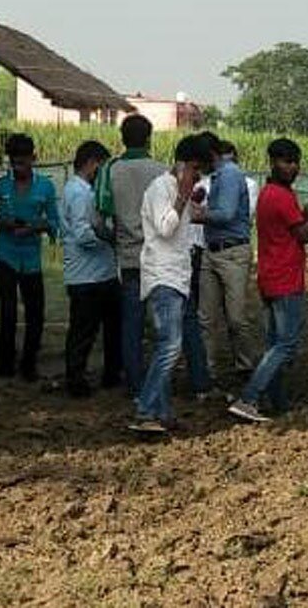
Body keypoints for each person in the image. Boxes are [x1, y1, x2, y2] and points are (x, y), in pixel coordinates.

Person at [228, 138, 308, 423]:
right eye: (288, 162)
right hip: (286, 279)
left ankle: (280, 404)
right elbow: (303, 236)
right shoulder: (281, 196)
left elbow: (291, 227)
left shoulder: (268, 193)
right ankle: (249, 397)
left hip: (268, 276)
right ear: (274, 163)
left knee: (274, 343)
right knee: (286, 345)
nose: (294, 168)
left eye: (296, 162)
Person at [129, 136, 207, 433]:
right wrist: (182, 198)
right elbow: (164, 228)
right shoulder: (162, 188)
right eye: (196, 169)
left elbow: (186, 225)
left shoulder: (177, 190)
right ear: (184, 165)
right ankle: (145, 409)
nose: (198, 177)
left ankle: (161, 413)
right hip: (163, 276)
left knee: (167, 345)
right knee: (171, 346)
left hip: (176, 277)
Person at [0, 133, 60, 382]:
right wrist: (0, 220)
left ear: (33, 159)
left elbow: (54, 221)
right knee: (9, 312)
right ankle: (5, 365)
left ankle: (29, 363)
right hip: (5, 255)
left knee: (36, 313)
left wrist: (35, 227)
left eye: (23, 162)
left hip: (32, 258)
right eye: (14, 163)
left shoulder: (46, 186)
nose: (18, 168)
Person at [97, 115, 167, 396]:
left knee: (131, 324)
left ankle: (135, 383)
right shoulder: (162, 171)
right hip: (158, 257)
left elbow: (98, 219)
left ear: (122, 138)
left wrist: (114, 239)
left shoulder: (111, 170)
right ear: (149, 138)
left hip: (128, 257)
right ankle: (160, 383)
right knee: (163, 324)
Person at [197, 137, 262, 382]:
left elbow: (225, 213)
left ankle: (246, 364)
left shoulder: (231, 175)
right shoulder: (215, 177)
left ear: (211, 156)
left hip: (233, 252)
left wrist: (198, 215)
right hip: (211, 249)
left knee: (235, 317)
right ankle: (207, 369)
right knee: (206, 317)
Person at [60, 141, 121, 397]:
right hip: (87, 275)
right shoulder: (79, 193)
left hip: (100, 273)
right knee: (84, 331)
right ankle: (76, 379)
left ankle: (110, 374)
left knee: (109, 327)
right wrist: (110, 238)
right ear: (92, 163)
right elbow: (83, 234)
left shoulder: (84, 191)